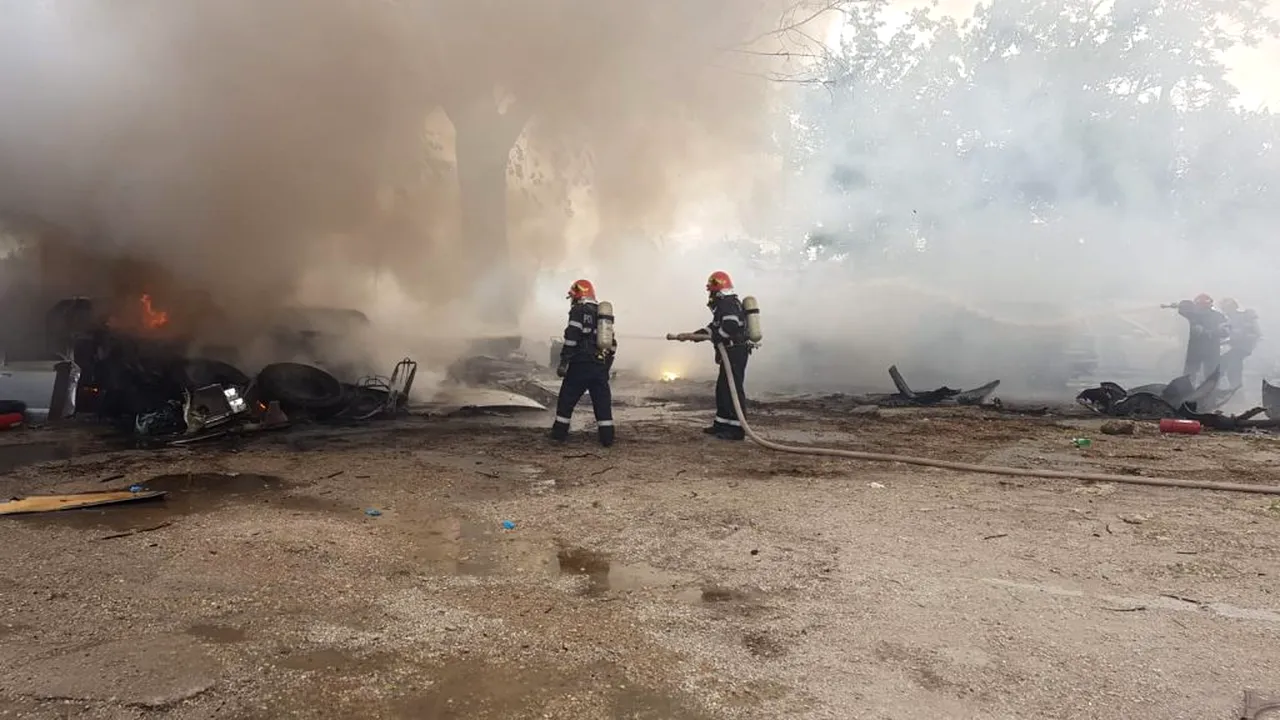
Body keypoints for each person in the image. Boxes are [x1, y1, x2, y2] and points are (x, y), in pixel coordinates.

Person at [684, 270, 751, 441]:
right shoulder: (725, 303)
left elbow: (730, 326)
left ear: (717, 289)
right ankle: (721, 424)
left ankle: (736, 430)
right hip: (729, 351)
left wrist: (714, 336)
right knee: (723, 388)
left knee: (732, 389)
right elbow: (715, 325)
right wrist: (699, 334)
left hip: (735, 351)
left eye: (711, 290)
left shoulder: (726, 303)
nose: (709, 294)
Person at [549, 279, 616, 447]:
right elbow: (613, 344)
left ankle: (559, 435)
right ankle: (607, 438)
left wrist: (564, 361)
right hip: (599, 364)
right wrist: (605, 368)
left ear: (577, 295)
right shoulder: (602, 316)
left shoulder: (578, 311)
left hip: (581, 364)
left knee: (566, 399)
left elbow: (572, 337)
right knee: (602, 403)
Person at [1175, 293, 1228, 384]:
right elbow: (1182, 312)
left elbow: (1225, 332)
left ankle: (1207, 392)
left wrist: (1209, 332)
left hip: (1209, 349)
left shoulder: (1218, 316)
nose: (1202, 307)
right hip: (1195, 348)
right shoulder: (1191, 314)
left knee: (1208, 374)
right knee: (1190, 373)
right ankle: (1189, 391)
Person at [1220, 298, 1261, 390]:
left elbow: (1256, 334)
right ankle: (1234, 389)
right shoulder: (1228, 319)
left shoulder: (1242, 317)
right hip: (1234, 347)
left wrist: (1241, 336)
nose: (1226, 311)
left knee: (1233, 367)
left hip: (1242, 347)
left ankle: (1236, 391)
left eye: (1227, 308)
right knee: (1227, 365)